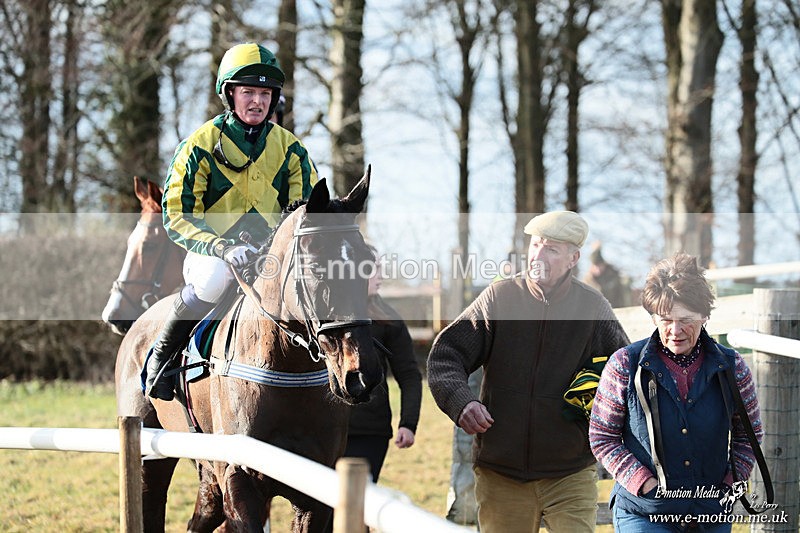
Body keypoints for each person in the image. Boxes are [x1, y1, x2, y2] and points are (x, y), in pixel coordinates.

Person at [427, 211, 630, 532]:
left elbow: (625, 373)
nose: (538, 255)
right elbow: (445, 355)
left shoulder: (593, 307)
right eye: (536, 244)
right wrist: (461, 402)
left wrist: (597, 406)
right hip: (501, 473)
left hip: (570, 473)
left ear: (573, 258)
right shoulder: (499, 298)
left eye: (551, 249)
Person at [146, 42, 319, 400]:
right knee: (213, 279)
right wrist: (222, 247)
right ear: (229, 94)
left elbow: (308, 208)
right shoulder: (199, 145)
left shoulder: (291, 149)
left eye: (265, 93)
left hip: (271, 256)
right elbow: (176, 213)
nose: (257, 101)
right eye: (248, 92)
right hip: (214, 254)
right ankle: (160, 358)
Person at [589, 252, 763, 532]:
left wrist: (731, 481)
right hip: (644, 511)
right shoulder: (625, 364)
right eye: (665, 319)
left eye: (686, 319)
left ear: (705, 315)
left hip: (711, 511)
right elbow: (602, 437)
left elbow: (749, 434)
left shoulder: (732, 367)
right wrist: (643, 483)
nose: (675, 330)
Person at [342, 245, 422, 482]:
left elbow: (409, 375)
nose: (381, 275)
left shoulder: (389, 320)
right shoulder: (324, 318)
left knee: (356, 508)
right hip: (324, 431)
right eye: (374, 268)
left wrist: (408, 423)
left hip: (370, 432)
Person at [582, 241, 627, 308]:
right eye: (596, 266)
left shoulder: (613, 276)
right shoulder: (587, 281)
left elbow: (620, 296)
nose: (598, 269)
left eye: (600, 265)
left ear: (604, 264)